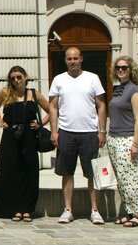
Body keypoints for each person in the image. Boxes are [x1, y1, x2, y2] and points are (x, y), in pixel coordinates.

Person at [49, 47, 107, 225]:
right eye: (69, 59)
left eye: (75, 58)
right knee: (66, 172)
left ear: (81, 59)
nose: (72, 61)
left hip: (89, 132)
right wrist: (54, 130)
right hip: (66, 132)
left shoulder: (92, 78)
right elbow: (53, 107)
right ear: (65, 60)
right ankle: (67, 210)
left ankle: (95, 210)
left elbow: (101, 105)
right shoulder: (59, 79)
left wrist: (102, 131)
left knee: (92, 174)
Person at [0, 66, 51, 222]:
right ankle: (14, 208)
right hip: (10, 138)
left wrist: (40, 123)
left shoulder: (34, 94)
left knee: (29, 171)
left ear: (26, 77)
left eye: (18, 77)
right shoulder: (5, 92)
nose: (16, 80)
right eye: (13, 78)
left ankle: (27, 209)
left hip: (29, 138)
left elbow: (52, 110)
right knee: (11, 171)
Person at [107, 56, 138, 227]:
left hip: (128, 138)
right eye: (118, 67)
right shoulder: (118, 89)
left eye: (124, 67)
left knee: (134, 178)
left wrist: (135, 144)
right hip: (114, 138)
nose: (121, 70)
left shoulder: (134, 90)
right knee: (122, 179)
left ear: (131, 70)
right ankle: (129, 212)